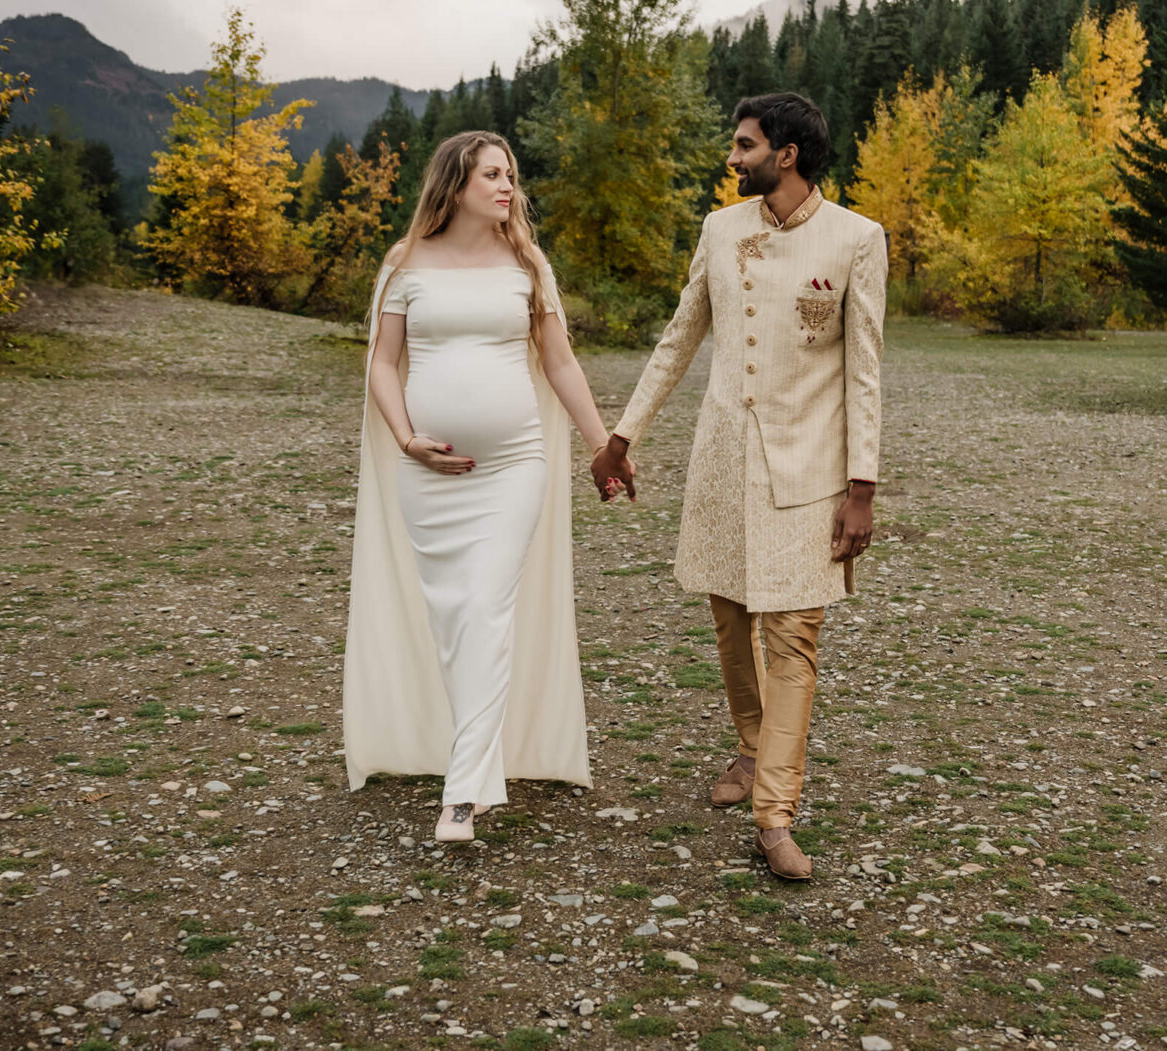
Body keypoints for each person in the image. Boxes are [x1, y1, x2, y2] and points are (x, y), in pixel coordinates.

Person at [591, 92, 886, 880]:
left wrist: (862, 488)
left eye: (744, 143)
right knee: (730, 620)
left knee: (794, 637)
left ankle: (775, 816)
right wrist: (622, 436)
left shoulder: (858, 240)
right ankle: (752, 748)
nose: (733, 155)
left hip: (811, 472)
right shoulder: (720, 229)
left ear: (785, 153)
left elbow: (866, 370)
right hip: (721, 462)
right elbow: (679, 335)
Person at [344, 131, 612, 843]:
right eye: (493, 173)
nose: (508, 186)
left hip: (514, 463)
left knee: (486, 607)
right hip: (428, 476)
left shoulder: (527, 263)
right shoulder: (404, 264)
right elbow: (381, 363)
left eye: (512, 174)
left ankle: (460, 797)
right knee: (456, 619)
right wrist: (406, 438)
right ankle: (478, 770)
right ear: (455, 182)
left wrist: (601, 444)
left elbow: (559, 365)